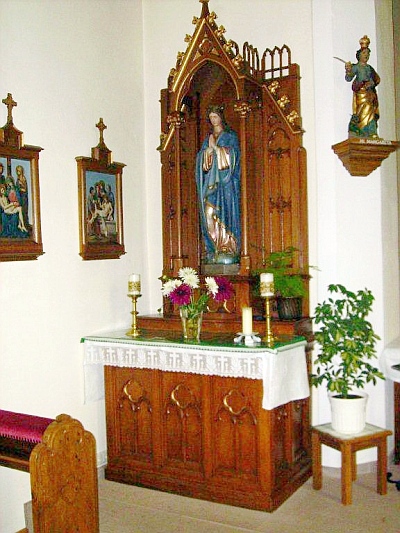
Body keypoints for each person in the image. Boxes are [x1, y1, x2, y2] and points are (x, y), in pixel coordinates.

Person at [195, 105, 241, 265]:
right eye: (211, 118)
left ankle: (228, 248)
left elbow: (234, 156)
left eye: (215, 116)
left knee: (226, 214)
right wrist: (206, 154)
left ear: (221, 117)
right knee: (208, 212)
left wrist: (217, 150)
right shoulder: (208, 138)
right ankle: (214, 248)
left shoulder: (230, 136)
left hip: (226, 184)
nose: (213, 120)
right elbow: (201, 162)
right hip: (210, 184)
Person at [345, 35, 380, 138]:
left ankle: (372, 132)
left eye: (368, 54)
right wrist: (348, 70)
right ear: (359, 55)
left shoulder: (369, 68)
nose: (366, 55)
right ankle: (362, 130)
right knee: (362, 111)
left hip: (369, 93)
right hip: (361, 93)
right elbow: (348, 78)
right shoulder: (356, 67)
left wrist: (371, 83)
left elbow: (377, 79)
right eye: (364, 53)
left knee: (371, 110)